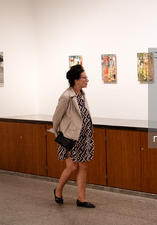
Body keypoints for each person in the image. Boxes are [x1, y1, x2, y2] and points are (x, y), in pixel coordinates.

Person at [52, 65, 95, 208]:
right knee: (71, 167)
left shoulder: (82, 94)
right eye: (84, 78)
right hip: (70, 138)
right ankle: (58, 190)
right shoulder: (66, 96)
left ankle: (81, 198)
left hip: (84, 137)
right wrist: (60, 136)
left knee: (83, 166)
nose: (87, 80)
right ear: (76, 80)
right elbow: (56, 118)